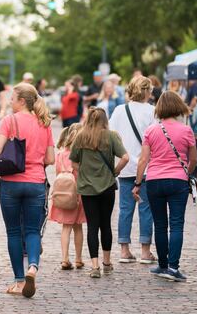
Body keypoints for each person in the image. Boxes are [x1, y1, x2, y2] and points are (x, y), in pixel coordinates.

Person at [0, 83, 54, 297]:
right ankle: (33, 267)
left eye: (12, 98)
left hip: (11, 182)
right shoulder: (44, 123)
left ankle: (19, 281)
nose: (10, 102)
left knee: (13, 232)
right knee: (32, 230)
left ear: (21, 101)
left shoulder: (9, 121)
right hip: (36, 182)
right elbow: (50, 159)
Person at [134, 91, 197, 282]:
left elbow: (143, 159)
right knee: (176, 224)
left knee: (160, 224)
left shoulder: (151, 130)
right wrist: (186, 172)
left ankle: (162, 265)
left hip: (154, 181)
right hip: (178, 181)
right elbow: (194, 159)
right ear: (178, 107)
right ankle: (173, 267)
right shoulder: (186, 130)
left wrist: (137, 183)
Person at [71, 107, 128, 279]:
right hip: (107, 186)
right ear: (104, 120)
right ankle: (107, 263)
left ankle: (94, 266)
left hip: (88, 188)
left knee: (92, 226)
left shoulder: (81, 136)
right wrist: (115, 171)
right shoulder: (110, 136)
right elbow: (125, 157)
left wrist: (85, 172)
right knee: (105, 224)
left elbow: (73, 162)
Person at [108, 76, 157, 264]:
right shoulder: (153, 112)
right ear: (146, 91)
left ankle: (124, 249)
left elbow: (111, 135)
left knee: (125, 209)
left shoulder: (120, 110)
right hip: (146, 166)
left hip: (124, 165)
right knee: (146, 209)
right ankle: (145, 251)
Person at [48, 124, 85, 271]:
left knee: (66, 227)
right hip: (78, 192)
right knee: (78, 227)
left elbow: (58, 173)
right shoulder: (80, 154)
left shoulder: (60, 154)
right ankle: (78, 259)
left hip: (63, 193)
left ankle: (64, 258)